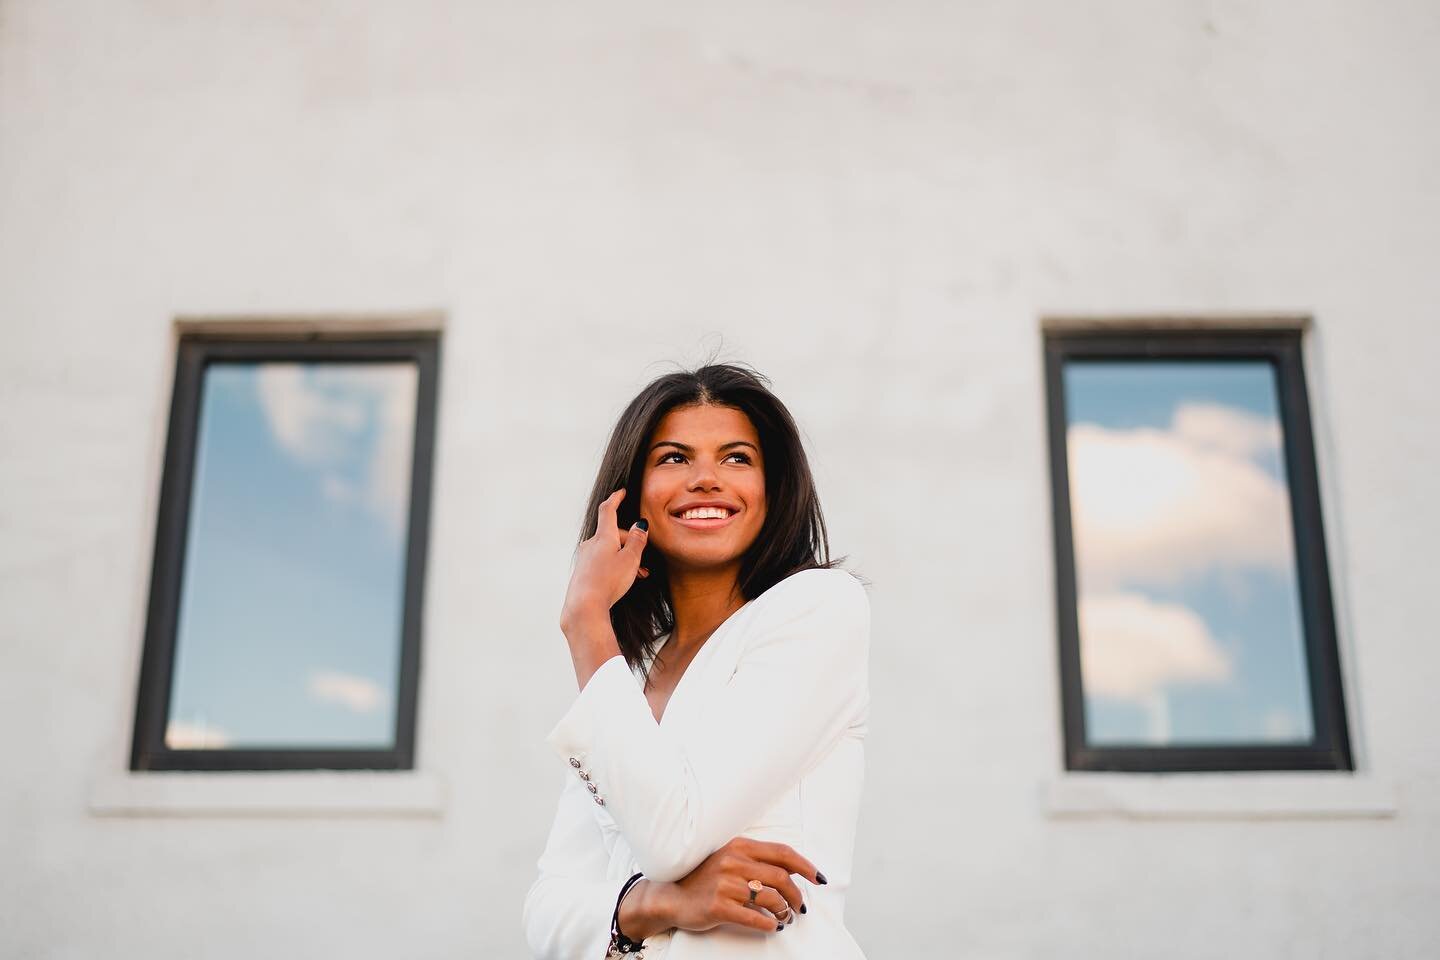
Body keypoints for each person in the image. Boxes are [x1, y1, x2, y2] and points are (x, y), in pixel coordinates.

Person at [522, 362, 871, 959]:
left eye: (737, 458)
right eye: (674, 458)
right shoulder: (625, 677)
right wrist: (658, 903)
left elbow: (671, 840)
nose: (707, 479)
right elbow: (546, 914)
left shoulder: (817, 609)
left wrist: (586, 620)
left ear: (772, 488)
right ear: (631, 497)